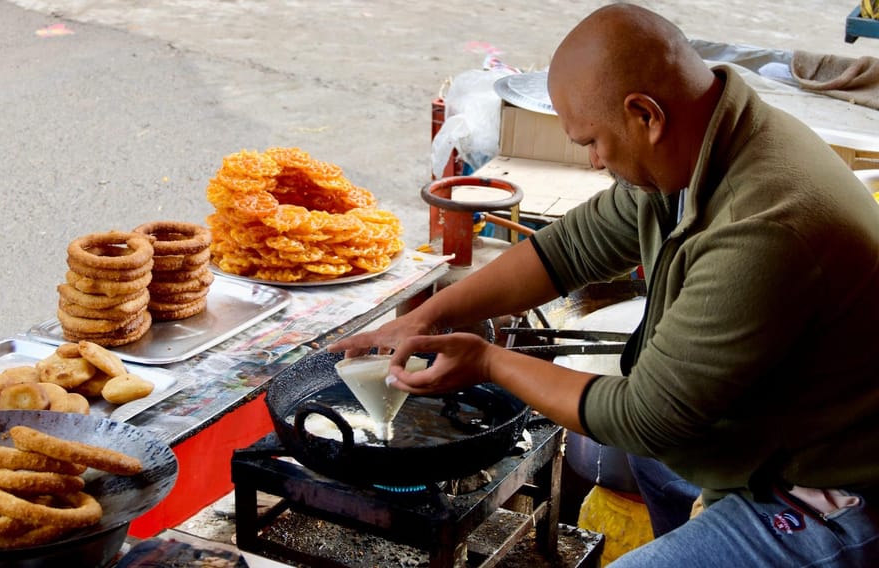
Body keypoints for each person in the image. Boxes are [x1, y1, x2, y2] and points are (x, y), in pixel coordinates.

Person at [328, 3, 879, 566]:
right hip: (772, 432)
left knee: (645, 451)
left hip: (834, 492)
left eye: (592, 141)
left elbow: (644, 416)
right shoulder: (702, 142)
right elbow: (568, 249)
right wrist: (428, 316)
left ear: (646, 115)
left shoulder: (765, 225)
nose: (593, 162)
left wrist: (489, 362)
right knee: (654, 462)